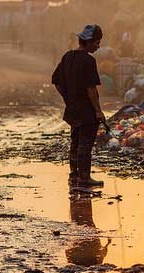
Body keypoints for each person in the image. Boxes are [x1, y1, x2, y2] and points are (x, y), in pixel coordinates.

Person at [52, 25, 105, 187]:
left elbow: (57, 81)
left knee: (75, 142)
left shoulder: (68, 57)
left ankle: (74, 176)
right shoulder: (88, 60)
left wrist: (68, 98)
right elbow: (91, 89)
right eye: (97, 42)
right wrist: (98, 111)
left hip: (73, 109)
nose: (98, 46)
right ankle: (84, 177)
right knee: (85, 144)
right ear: (88, 42)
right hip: (86, 110)